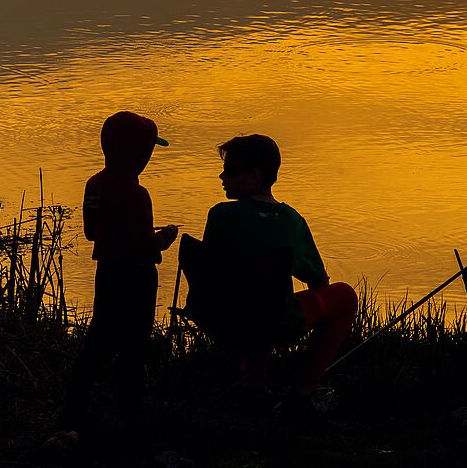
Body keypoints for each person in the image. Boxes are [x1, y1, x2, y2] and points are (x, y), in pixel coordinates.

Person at [202, 134, 357, 413]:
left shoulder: (219, 216)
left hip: (222, 320)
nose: (222, 176)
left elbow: (210, 273)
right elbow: (318, 281)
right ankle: (304, 388)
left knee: (251, 298)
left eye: (230, 170)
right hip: (276, 322)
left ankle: (255, 382)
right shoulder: (291, 221)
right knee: (344, 296)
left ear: (254, 175)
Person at [61, 111, 179, 432]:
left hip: (107, 273)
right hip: (137, 276)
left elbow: (91, 232)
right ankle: (131, 411)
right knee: (134, 345)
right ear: (140, 153)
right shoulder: (136, 192)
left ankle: (75, 400)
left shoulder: (95, 184)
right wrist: (165, 236)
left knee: (99, 338)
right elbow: (144, 246)